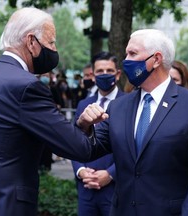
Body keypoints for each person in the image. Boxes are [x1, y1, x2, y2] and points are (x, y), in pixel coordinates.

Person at [0, 8, 102, 216]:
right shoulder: (26, 86)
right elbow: (79, 148)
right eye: (51, 43)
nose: (54, 49)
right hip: (4, 205)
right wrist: (86, 126)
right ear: (31, 42)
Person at [77, 29, 188, 215]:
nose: (125, 59)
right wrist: (83, 125)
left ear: (156, 59)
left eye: (133, 53)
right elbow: (88, 149)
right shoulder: (118, 107)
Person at [72, 51, 124, 216]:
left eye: (109, 71)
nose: (105, 74)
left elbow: (134, 147)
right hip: (87, 188)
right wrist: (81, 171)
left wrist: (110, 174)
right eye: (100, 71)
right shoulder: (83, 104)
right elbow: (74, 141)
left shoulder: (128, 103)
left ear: (118, 74)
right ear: (93, 75)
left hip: (116, 189)